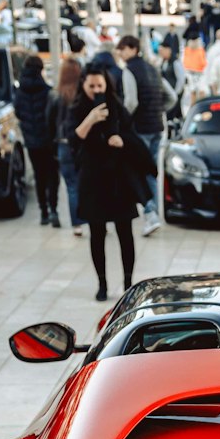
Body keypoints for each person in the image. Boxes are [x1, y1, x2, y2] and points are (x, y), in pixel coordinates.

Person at [72, 63, 154, 301]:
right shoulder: (77, 108)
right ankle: (102, 284)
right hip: (92, 179)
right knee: (96, 234)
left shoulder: (116, 106)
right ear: (84, 85)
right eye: (92, 86)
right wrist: (90, 119)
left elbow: (133, 136)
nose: (96, 90)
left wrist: (121, 140)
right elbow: (72, 140)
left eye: (100, 85)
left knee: (124, 232)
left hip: (118, 179)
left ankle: (129, 283)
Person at [118, 34, 166, 237]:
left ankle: (150, 213)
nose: (120, 54)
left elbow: (131, 101)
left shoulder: (129, 71)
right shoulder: (153, 68)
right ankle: (154, 213)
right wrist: (159, 110)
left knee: (137, 172)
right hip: (157, 126)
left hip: (140, 129)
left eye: (122, 49)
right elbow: (170, 95)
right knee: (151, 171)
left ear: (132, 48)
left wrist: (123, 122)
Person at [14, 54, 60, 227]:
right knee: (52, 175)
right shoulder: (47, 92)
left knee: (39, 176)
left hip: (32, 141)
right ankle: (54, 209)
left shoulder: (20, 92)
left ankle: (44, 212)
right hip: (49, 141)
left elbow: (18, 113)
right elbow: (54, 116)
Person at [49, 56, 83, 234]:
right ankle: (92, 218)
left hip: (63, 143)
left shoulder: (57, 96)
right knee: (85, 183)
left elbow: (50, 121)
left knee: (71, 185)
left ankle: (77, 224)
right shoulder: (82, 95)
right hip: (81, 143)